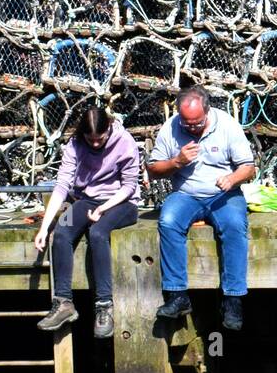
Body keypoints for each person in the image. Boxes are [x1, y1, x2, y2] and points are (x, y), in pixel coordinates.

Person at [146, 85, 256, 330]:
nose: (191, 128)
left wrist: (232, 179)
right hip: (186, 193)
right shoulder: (171, 127)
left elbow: (249, 168)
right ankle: (177, 296)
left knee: (235, 225)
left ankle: (233, 299)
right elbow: (153, 171)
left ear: (207, 111)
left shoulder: (227, 125)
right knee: (168, 221)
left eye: (196, 123)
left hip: (223, 194)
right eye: (187, 123)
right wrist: (177, 161)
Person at [34, 107, 142, 338]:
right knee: (61, 233)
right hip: (86, 201)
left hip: (122, 202)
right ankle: (63, 303)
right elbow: (62, 185)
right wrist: (44, 228)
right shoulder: (74, 144)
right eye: (89, 139)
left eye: (99, 139)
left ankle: (104, 306)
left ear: (108, 129)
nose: (94, 144)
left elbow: (129, 186)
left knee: (98, 233)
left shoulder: (125, 141)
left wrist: (103, 208)